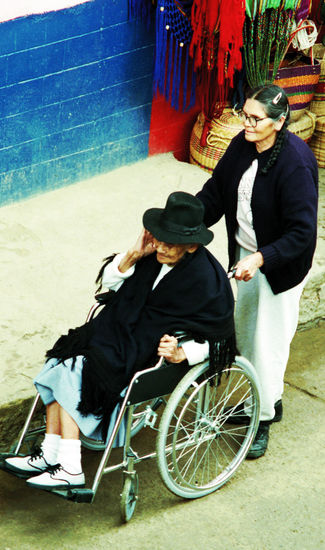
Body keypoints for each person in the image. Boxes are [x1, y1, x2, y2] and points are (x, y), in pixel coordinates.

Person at [5, 191, 236, 489]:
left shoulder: (208, 280)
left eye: (170, 243)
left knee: (79, 369)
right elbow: (111, 286)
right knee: (62, 358)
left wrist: (183, 353)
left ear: (191, 245)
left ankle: (71, 466)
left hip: (146, 350)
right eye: (159, 238)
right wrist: (132, 255)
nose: (161, 247)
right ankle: (51, 453)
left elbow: (221, 337)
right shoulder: (150, 256)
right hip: (117, 331)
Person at [196, 84, 318, 458]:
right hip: (247, 255)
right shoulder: (242, 145)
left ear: (279, 123)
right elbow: (216, 192)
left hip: (278, 264)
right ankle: (268, 401)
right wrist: (184, 224)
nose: (245, 124)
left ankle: (262, 418)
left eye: (255, 119)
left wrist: (261, 258)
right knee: (248, 334)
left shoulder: (294, 163)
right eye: (243, 114)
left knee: (268, 342)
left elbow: (302, 232)